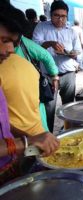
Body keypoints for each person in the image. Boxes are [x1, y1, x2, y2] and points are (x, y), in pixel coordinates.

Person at [0, 4, 59, 185]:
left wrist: (30, 136)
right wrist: (26, 142)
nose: (10, 49)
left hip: (9, 166)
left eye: (12, 42)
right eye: (3, 40)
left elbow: (3, 124)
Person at [33, 1, 81, 132]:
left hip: (68, 75)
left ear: (67, 16)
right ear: (50, 14)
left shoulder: (71, 31)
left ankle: (69, 133)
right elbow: (35, 48)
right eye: (57, 15)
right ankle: (48, 137)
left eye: (63, 16)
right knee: (48, 108)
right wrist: (50, 43)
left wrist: (72, 54)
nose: (60, 19)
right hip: (48, 76)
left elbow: (78, 51)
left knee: (69, 107)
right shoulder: (42, 27)